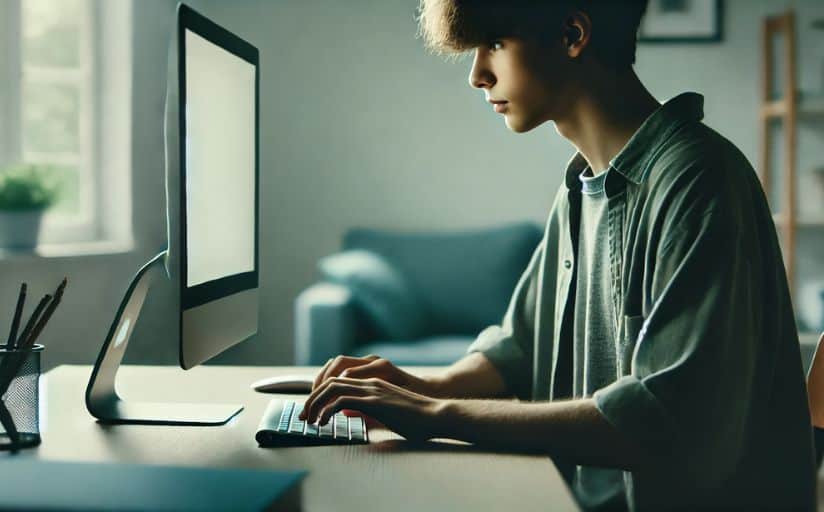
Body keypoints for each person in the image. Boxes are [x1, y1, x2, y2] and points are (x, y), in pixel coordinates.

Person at [299, 1, 816, 510]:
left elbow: (663, 419)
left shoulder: (698, 180)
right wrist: (415, 386)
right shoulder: (578, 186)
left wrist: (437, 412)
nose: (477, 75)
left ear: (572, 34)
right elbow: (518, 347)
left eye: (495, 44)